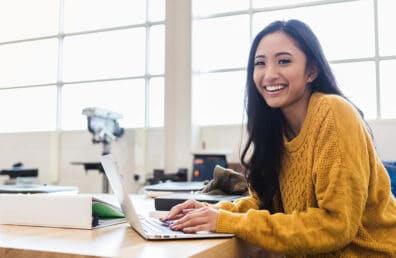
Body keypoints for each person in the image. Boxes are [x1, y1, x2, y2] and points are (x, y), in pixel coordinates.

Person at [160, 19, 396, 257]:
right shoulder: (275, 129)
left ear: (311, 71)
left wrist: (226, 221)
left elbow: (335, 226)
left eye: (284, 61)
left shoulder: (334, 113)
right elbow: (263, 204)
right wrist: (213, 211)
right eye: (260, 63)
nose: (269, 74)